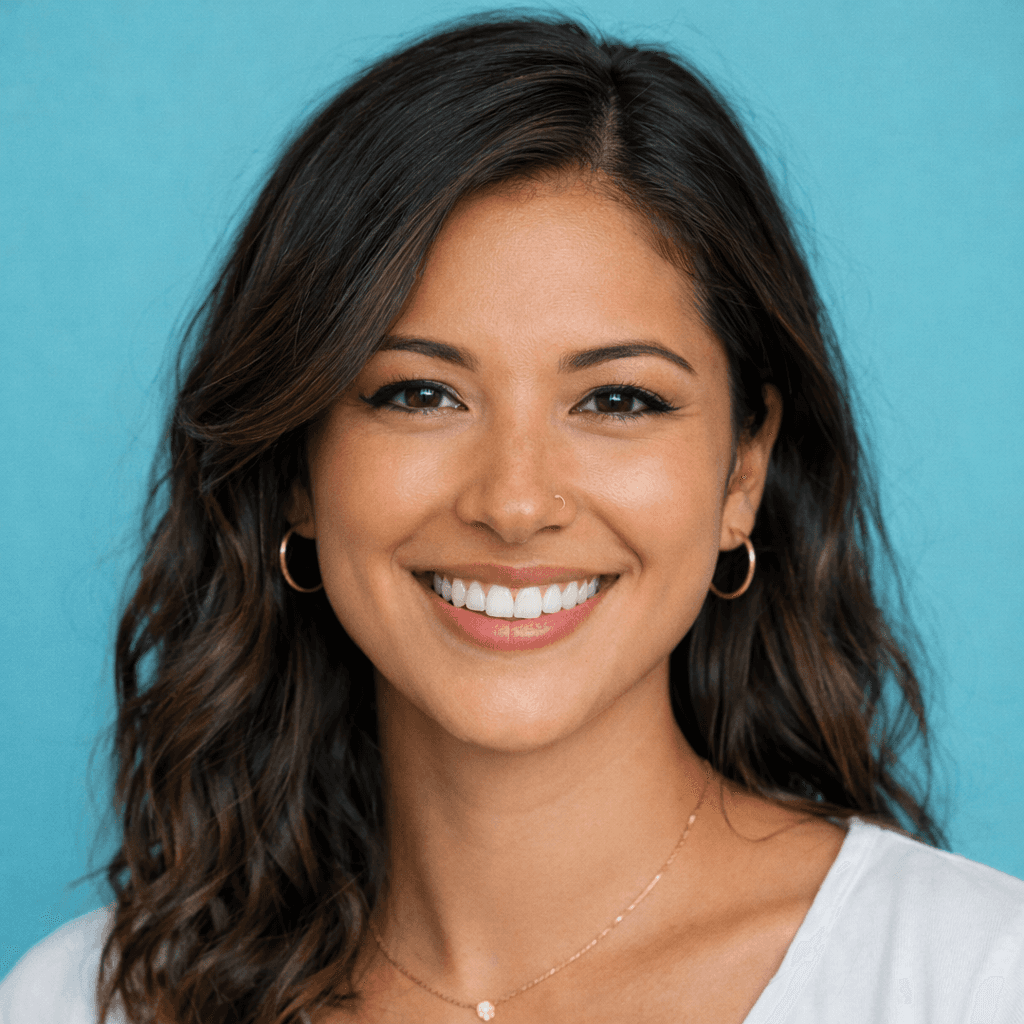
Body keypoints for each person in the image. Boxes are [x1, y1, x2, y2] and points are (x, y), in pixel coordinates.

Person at [2, 13, 1022, 1024]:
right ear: (298, 464)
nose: (514, 502)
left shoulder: (971, 978)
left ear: (743, 471)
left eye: (618, 400)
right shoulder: (82, 1002)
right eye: (417, 393)